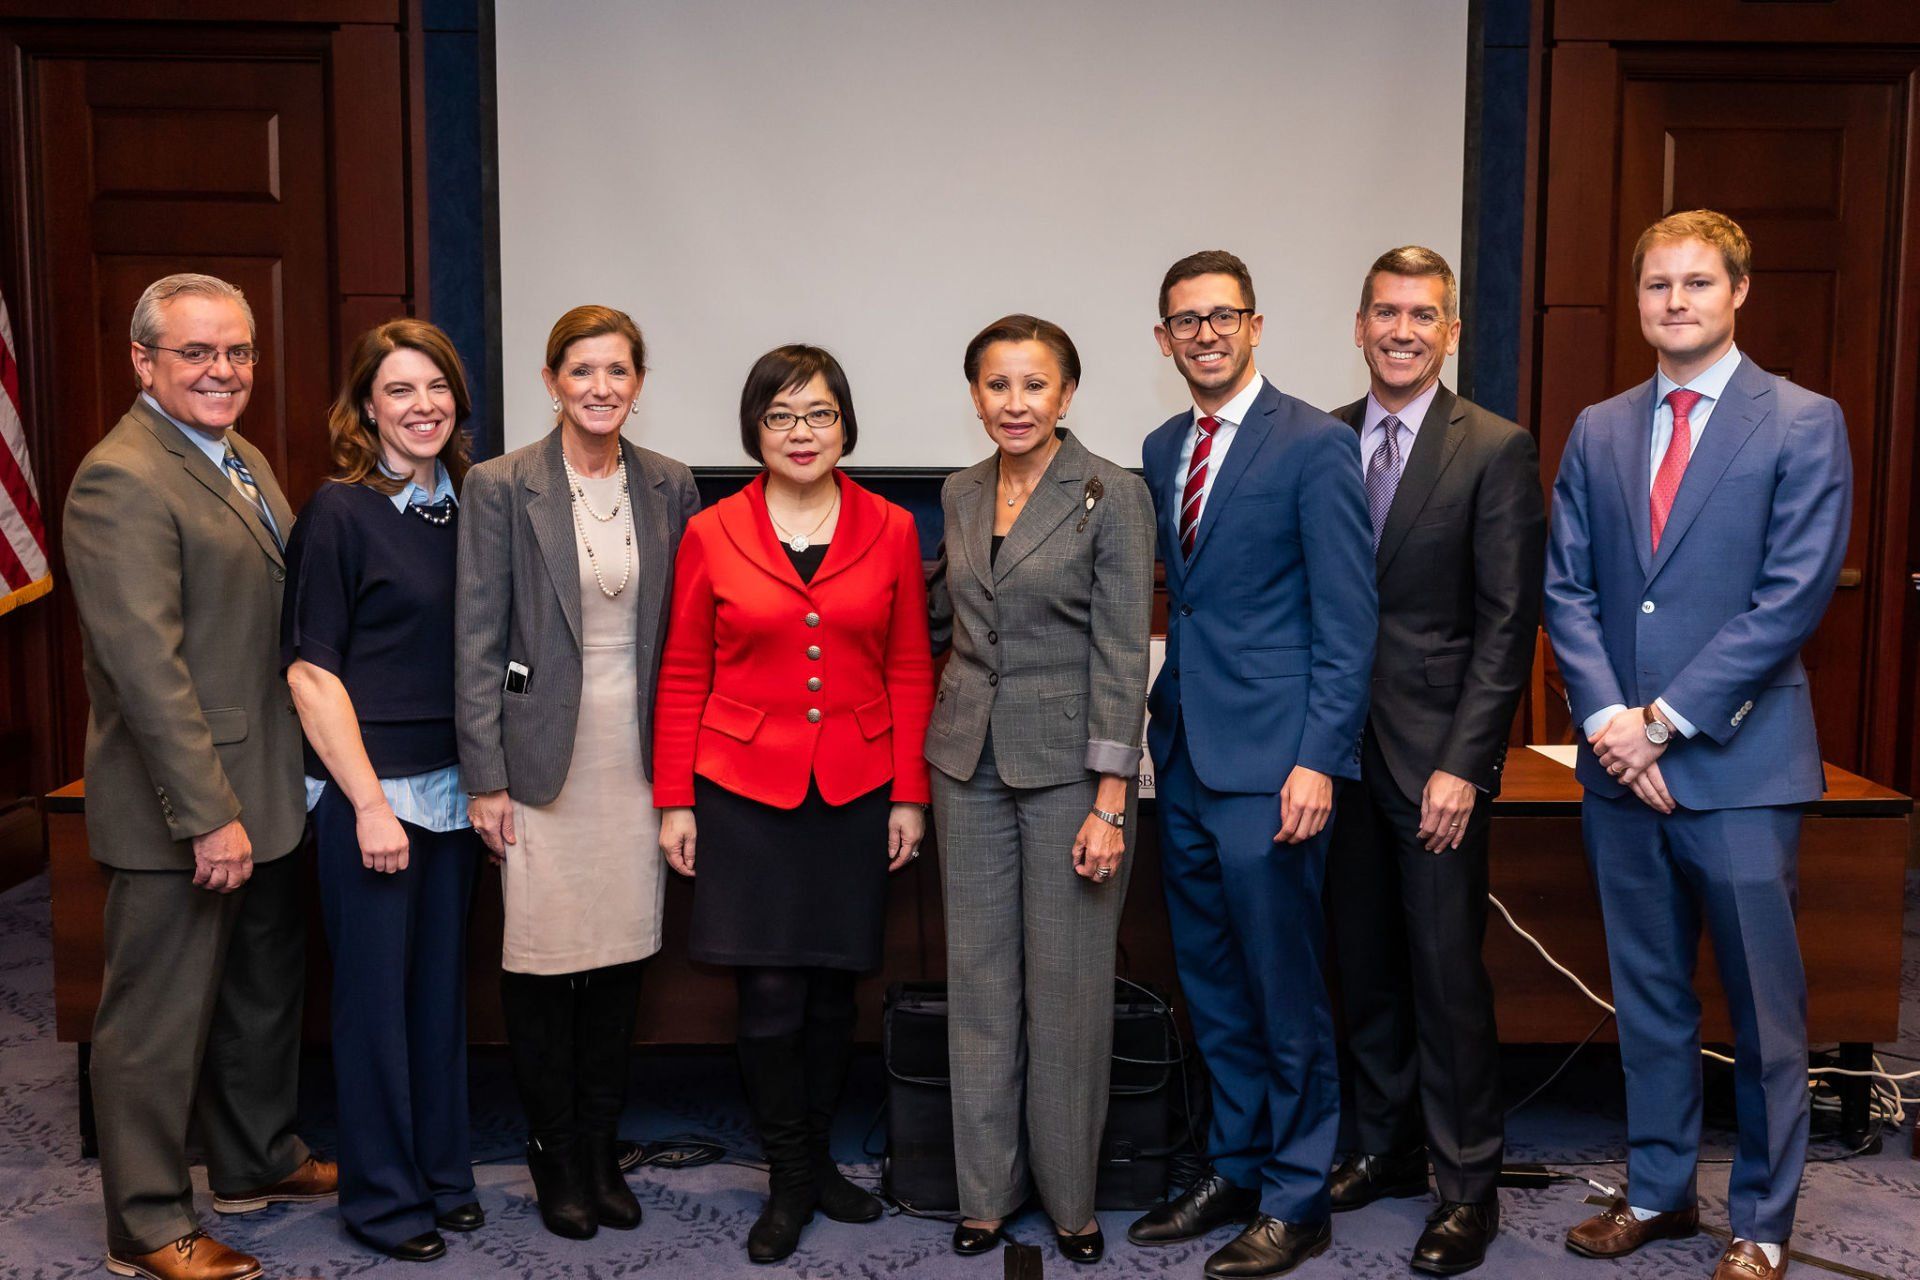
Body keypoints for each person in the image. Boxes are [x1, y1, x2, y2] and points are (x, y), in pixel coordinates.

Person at [1544, 210, 1850, 1280]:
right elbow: (1567, 587)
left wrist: (1662, 723)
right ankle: (1662, 1190)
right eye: (1657, 285)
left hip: (1739, 764)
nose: (1675, 301)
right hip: (1620, 771)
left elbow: (1789, 598)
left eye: (1696, 284)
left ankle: (1761, 1220)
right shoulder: (1599, 425)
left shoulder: (1804, 421)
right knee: (1651, 997)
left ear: (1738, 293)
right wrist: (1608, 729)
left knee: (1768, 1015)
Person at [64, 272, 336, 1280]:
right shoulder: (121, 478)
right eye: (198, 353)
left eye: (239, 352)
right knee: (155, 1019)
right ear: (144, 361)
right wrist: (208, 814)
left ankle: (255, 1155)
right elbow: (146, 669)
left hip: (263, 787)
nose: (224, 371)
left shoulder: (239, 456)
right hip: (181, 806)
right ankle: (144, 1220)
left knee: (260, 992)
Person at [654, 344, 934, 1264]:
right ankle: (785, 1178)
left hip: (854, 789)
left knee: (830, 993)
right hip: (740, 792)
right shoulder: (711, 529)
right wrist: (675, 800)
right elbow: (686, 665)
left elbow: (906, 666)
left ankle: (818, 1165)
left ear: (846, 424)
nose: (801, 432)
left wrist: (909, 793)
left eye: (818, 413)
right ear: (755, 431)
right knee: (768, 995)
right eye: (781, 416)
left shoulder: (891, 527)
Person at [1127, 250, 1377, 1279]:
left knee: (1283, 987)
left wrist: (1320, 758)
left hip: (1276, 766)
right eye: (1185, 320)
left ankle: (1296, 1193)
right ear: (1162, 340)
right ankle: (1232, 1164)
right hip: (1183, 751)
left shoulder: (1316, 444)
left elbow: (1348, 620)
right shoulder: (1157, 444)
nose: (1205, 333)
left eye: (1222, 315)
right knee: (1212, 980)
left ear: (1257, 325)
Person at [454, 305, 699, 1241]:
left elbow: (681, 636)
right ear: (553, 380)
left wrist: (680, 773)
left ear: (639, 385)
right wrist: (486, 777)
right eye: (582, 371)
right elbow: (476, 637)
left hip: (637, 759)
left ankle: (601, 1148)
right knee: (544, 962)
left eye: (619, 372)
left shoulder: (671, 485)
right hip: (537, 762)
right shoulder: (499, 485)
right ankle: (553, 1151)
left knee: (623, 956)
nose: (601, 388)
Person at [1323, 247, 1545, 1276]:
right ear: (1360, 325)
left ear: (1449, 331)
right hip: (1335, 756)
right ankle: (1385, 1143)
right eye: (1385, 311)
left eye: (1424, 314)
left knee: (1448, 973)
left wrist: (1468, 762)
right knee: (1359, 964)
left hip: (1436, 761)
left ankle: (1468, 1184)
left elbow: (1506, 624)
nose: (1402, 329)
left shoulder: (1492, 446)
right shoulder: (1321, 440)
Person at [927, 315, 1155, 1266]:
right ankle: (985, 1195)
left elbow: (1119, 651)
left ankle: (1070, 1202)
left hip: (1073, 774)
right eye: (996, 386)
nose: (1013, 404)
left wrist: (1111, 800)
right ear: (974, 394)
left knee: (1065, 993)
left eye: (1033, 386)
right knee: (979, 987)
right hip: (966, 763)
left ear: (1066, 395)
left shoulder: (1114, 494)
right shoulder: (959, 490)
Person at [282, 319, 487, 1261]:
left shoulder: (473, 508)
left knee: (440, 1000)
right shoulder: (340, 512)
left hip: (456, 791)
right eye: (399, 391)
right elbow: (310, 674)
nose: (422, 407)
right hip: (374, 795)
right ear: (367, 406)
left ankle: (443, 1179)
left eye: (435, 387)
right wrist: (368, 803)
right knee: (371, 1011)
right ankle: (383, 1204)